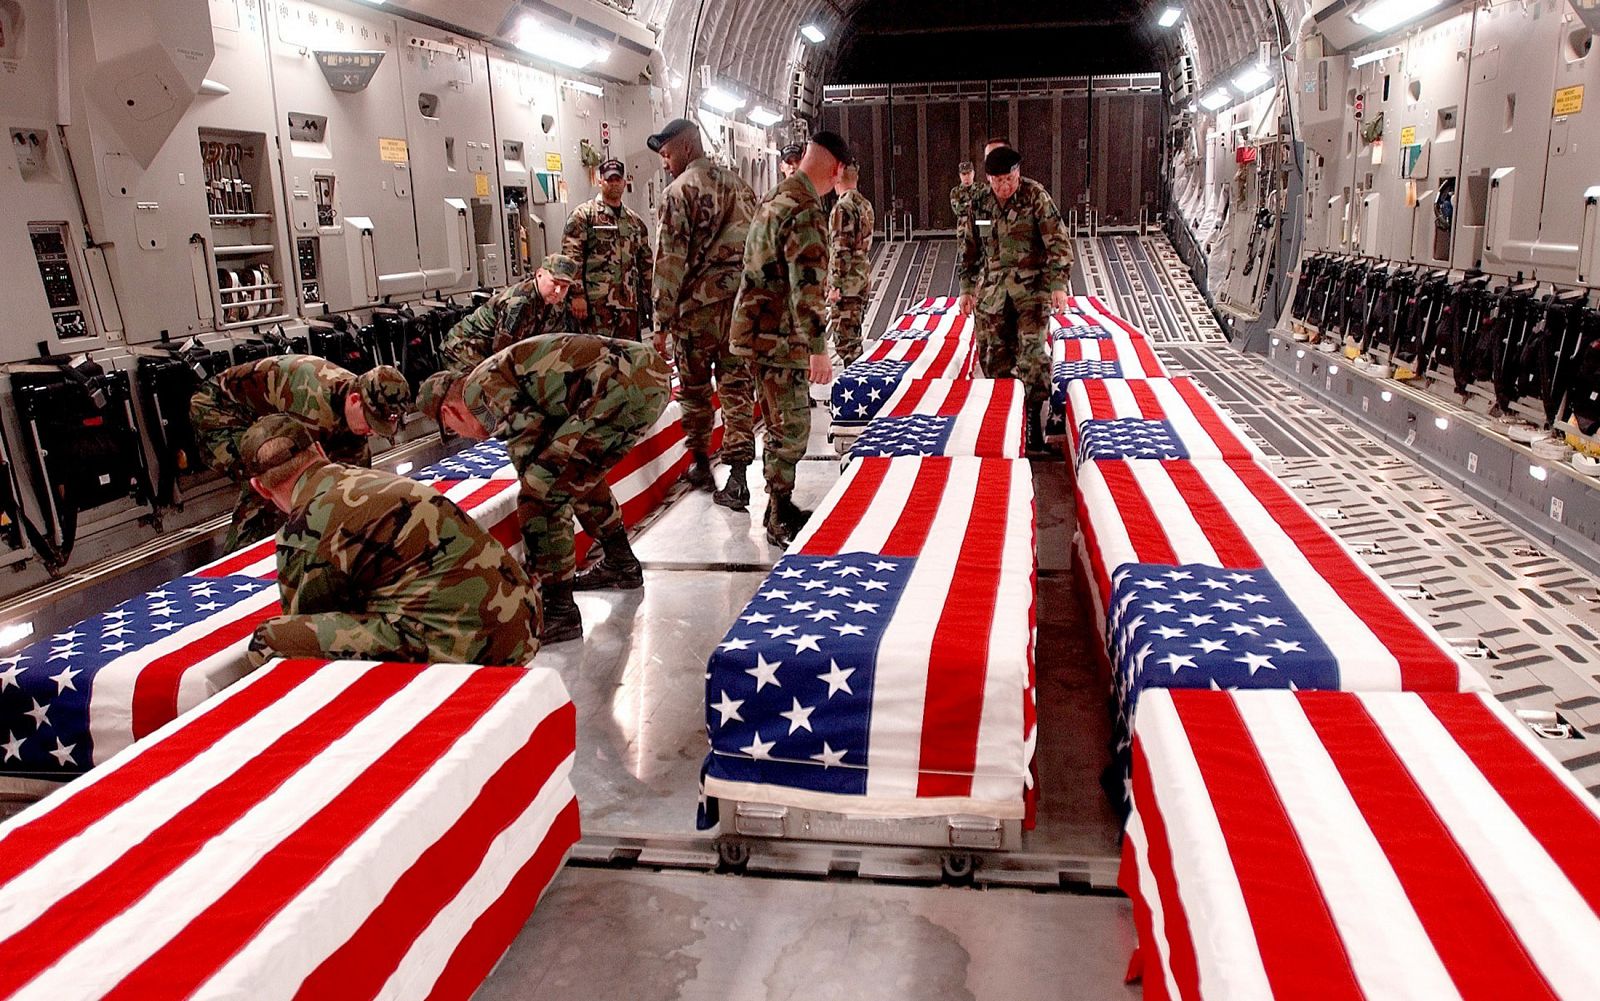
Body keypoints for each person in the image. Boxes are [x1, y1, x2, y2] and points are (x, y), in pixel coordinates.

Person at [418, 334, 671, 643]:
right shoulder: (492, 374)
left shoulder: (480, 390)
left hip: (619, 388)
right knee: (576, 473)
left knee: (541, 495)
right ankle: (621, 564)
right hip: (646, 379)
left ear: (449, 413)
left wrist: (538, 562)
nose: (465, 438)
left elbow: (532, 458)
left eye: (452, 431)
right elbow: (548, 443)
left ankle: (559, 613)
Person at [239, 414, 541, 669]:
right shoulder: (368, 479)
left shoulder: (303, 528)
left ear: (260, 488)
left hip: (474, 649)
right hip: (522, 624)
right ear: (319, 450)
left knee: (272, 638)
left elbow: (308, 620)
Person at [730, 131, 846, 546]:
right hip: (780, 335)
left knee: (778, 420)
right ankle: (778, 511)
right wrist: (818, 348)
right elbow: (807, 284)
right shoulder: (806, 209)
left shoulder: (776, 196)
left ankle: (780, 505)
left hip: (758, 329)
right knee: (791, 423)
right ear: (836, 170)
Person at [648, 117, 758, 508]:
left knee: (694, 392)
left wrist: (660, 321)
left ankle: (700, 463)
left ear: (686, 148)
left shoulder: (678, 192)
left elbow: (670, 261)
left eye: (667, 154)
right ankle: (740, 478)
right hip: (739, 310)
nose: (664, 163)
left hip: (695, 312)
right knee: (736, 389)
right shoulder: (742, 188)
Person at [191, 355, 410, 549]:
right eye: (371, 423)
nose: (372, 433)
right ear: (354, 400)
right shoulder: (312, 404)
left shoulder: (356, 399)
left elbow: (354, 476)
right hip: (219, 410)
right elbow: (296, 470)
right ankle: (241, 559)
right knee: (268, 476)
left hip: (270, 415)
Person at [959, 145, 1073, 455]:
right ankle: (1010, 418)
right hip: (994, 293)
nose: (1004, 187)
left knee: (1033, 355)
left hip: (1031, 292)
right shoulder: (979, 203)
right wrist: (967, 288)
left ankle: (1034, 420)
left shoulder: (1035, 196)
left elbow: (1058, 244)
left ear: (1018, 173)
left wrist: (1058, 284)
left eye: (1009, 180)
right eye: (997, 181)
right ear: (987, 178)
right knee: (994, 359)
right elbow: (969, 249)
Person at [561, 159, 654, 342]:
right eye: (609, 180)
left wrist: (651, 299)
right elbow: (572, 258)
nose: (614, 184)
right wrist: (577, 295)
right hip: (597, 307)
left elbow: (646, 264)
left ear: (624, 183)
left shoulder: (635, 222)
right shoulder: (584, 216)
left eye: (617, 180)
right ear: (600, 181)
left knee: (628, 361)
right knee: (598, 361)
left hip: (629, 306)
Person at [439, 253, 580, 372]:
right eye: (554, 283)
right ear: (539, 275)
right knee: (483, 392)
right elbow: (502, 355)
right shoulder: (518, 303)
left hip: (492, 352)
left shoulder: (557, 302)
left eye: (564, 286)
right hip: (464, 348)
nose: (557, 291)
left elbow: (552, 343)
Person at [827, 162, 875, 365]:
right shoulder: (865, 204)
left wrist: (835, 284)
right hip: (861, 276)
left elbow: (841, 248)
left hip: (847, 285)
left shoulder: (842, 207)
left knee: (846, 343)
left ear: (837, 177)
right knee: (854, 336)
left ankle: (856, 390)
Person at [949, 160, 981, 230]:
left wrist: (966, 204)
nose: (966, 177)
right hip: (964, 230)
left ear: (973, 173)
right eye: (964, 174)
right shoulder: (955, 192)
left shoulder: (981, 188)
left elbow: (987, 206)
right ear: (960, 175)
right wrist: (973, 204)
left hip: (981, 229)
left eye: (969, 173)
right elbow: (958, 210)